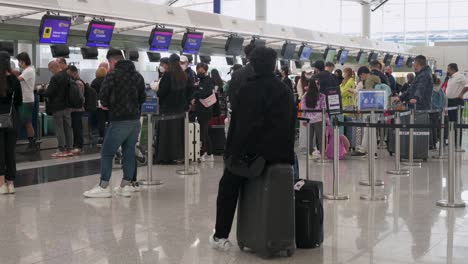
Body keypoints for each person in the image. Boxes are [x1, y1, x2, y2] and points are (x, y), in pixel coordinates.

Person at [210, 47, 296, 251]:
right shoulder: (284, 89)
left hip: (256, 156)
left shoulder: (248, 89)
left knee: (228, 185)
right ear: (274, 65)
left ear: (253, 64)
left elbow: (243, 128)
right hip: (281, 155)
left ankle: (220, 236)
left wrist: (232, 155)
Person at [83, 49, 146, 198]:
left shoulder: (112, 75)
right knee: (129, 152)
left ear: (113, 61)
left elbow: (103, 97)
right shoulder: (138, 76)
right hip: (135, 121)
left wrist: (109, 105)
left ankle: (104, 186)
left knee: (107, 152)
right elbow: (143, 97)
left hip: (119, 120)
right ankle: (126, 185)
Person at [154, 54, 187, 164]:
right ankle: (177, 155)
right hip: (179, 110)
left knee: (165, 133)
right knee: (176, 133)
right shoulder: (183, 75)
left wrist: (157, 90)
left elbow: (161, 92)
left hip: (167, 110)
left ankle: (164, 157)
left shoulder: (168, 75)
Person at [40, 61, 73, 158]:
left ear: (53, 67)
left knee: (59, 128)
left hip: (57, 107)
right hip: (67, 106)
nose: (51, 72)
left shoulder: (55, 77)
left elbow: (49, 92)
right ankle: (69, 149)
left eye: (50, 70)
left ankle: (61, 149)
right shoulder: (67, 76)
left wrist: (41, 90)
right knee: (68, 127)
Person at [0, 51, 22, 194]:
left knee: (0, 151)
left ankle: (1, 184)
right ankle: (11, 183)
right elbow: (19, 101)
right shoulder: (14, 79)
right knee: (10, 151)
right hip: (12, 117)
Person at [351, 66, 380, 157]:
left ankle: (369, 151)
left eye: (360, 75)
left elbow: (367, 96)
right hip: (376, 107)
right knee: (371, 130)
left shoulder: (368, 81)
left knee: (369, 129)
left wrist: (361, 106)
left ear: (363, 74)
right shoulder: (377, 79)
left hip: (369, 109)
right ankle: (370, 150)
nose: (361, 77)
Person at [193, 62, 215, 162]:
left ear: (205, 70)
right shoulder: (200, 80)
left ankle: (206, 152)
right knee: (203, 131)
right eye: (198, 69)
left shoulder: (208, 81)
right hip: (200, 109)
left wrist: (196, 93)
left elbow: (203, 93)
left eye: (201, 70)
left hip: (205, 109)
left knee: (204, 131)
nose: (198, 71)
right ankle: (208, 152)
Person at [15, 52, 37, 151]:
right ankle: (32, 143)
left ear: (23, 61)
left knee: (25, 122)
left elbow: (17, 80)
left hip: (26, 101)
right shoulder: (27, 70)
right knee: (27, 122)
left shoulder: (28, 71)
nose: (19, 64)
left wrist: (9, 73)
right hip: (26, 100)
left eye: (19, 61)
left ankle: (32, 144)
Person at [226, 43, 256, 112]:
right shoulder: (264, 73)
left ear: (246, 56)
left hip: (241, 114)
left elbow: (232, 96)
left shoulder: (236, 74)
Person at [301, 77, 326, 159]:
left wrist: (304, 118)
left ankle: (310, 154)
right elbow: (323, 108)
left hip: (308, 119)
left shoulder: (305, 96)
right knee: (320, 137)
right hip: (318, 118)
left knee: (309, 138)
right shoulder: (322, 96)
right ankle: (322, 154)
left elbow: (303, 107)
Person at [444, 63, 468, 146]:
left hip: (456, 101)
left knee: (457, 122)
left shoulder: (460, 76)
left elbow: (467, 85)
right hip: (450, 102)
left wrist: (461, 93)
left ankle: (457, 142)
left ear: (453, 69)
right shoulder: (451, 78)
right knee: (451, 123)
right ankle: (452, 141)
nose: (447, 71)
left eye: (448, 69)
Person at [67, 65, 85, 154]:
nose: (69, 75)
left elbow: (79, 97)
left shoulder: (78, 83)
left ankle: (79, 145)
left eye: (70, 73)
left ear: (75, 73)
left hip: (76, 109)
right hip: (76, 109)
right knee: (75, 127)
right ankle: (76, 145)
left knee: (77, 128)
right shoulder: (77, 82)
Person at [91, 67, 108, 145]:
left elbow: (92, 94)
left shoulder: (94, 82)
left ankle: (101, 137)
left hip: (98, 105)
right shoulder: (107, 81)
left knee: (101, 122)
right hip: (107, 104)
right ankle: (107, 137)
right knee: (109, 121)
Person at [340, 67, 357, 143]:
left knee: (348, 126)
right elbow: (340, 90)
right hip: (344, 105)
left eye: (345, 72)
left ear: (348, 73)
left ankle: (349, 143)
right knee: (345, 126)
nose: (343, 74)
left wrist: (342, 91)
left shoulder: (350, 81)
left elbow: (342, 93)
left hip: (348, 105)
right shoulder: (344, 81)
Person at [430, 74, 445, 150]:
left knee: (430, 127)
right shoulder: (440, 90)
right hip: (438, 111)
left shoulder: (430, 90)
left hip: (431, 110)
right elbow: (443, 100)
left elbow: (430, 101)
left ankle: (432, 143)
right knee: (434, 127)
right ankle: (434, 143)